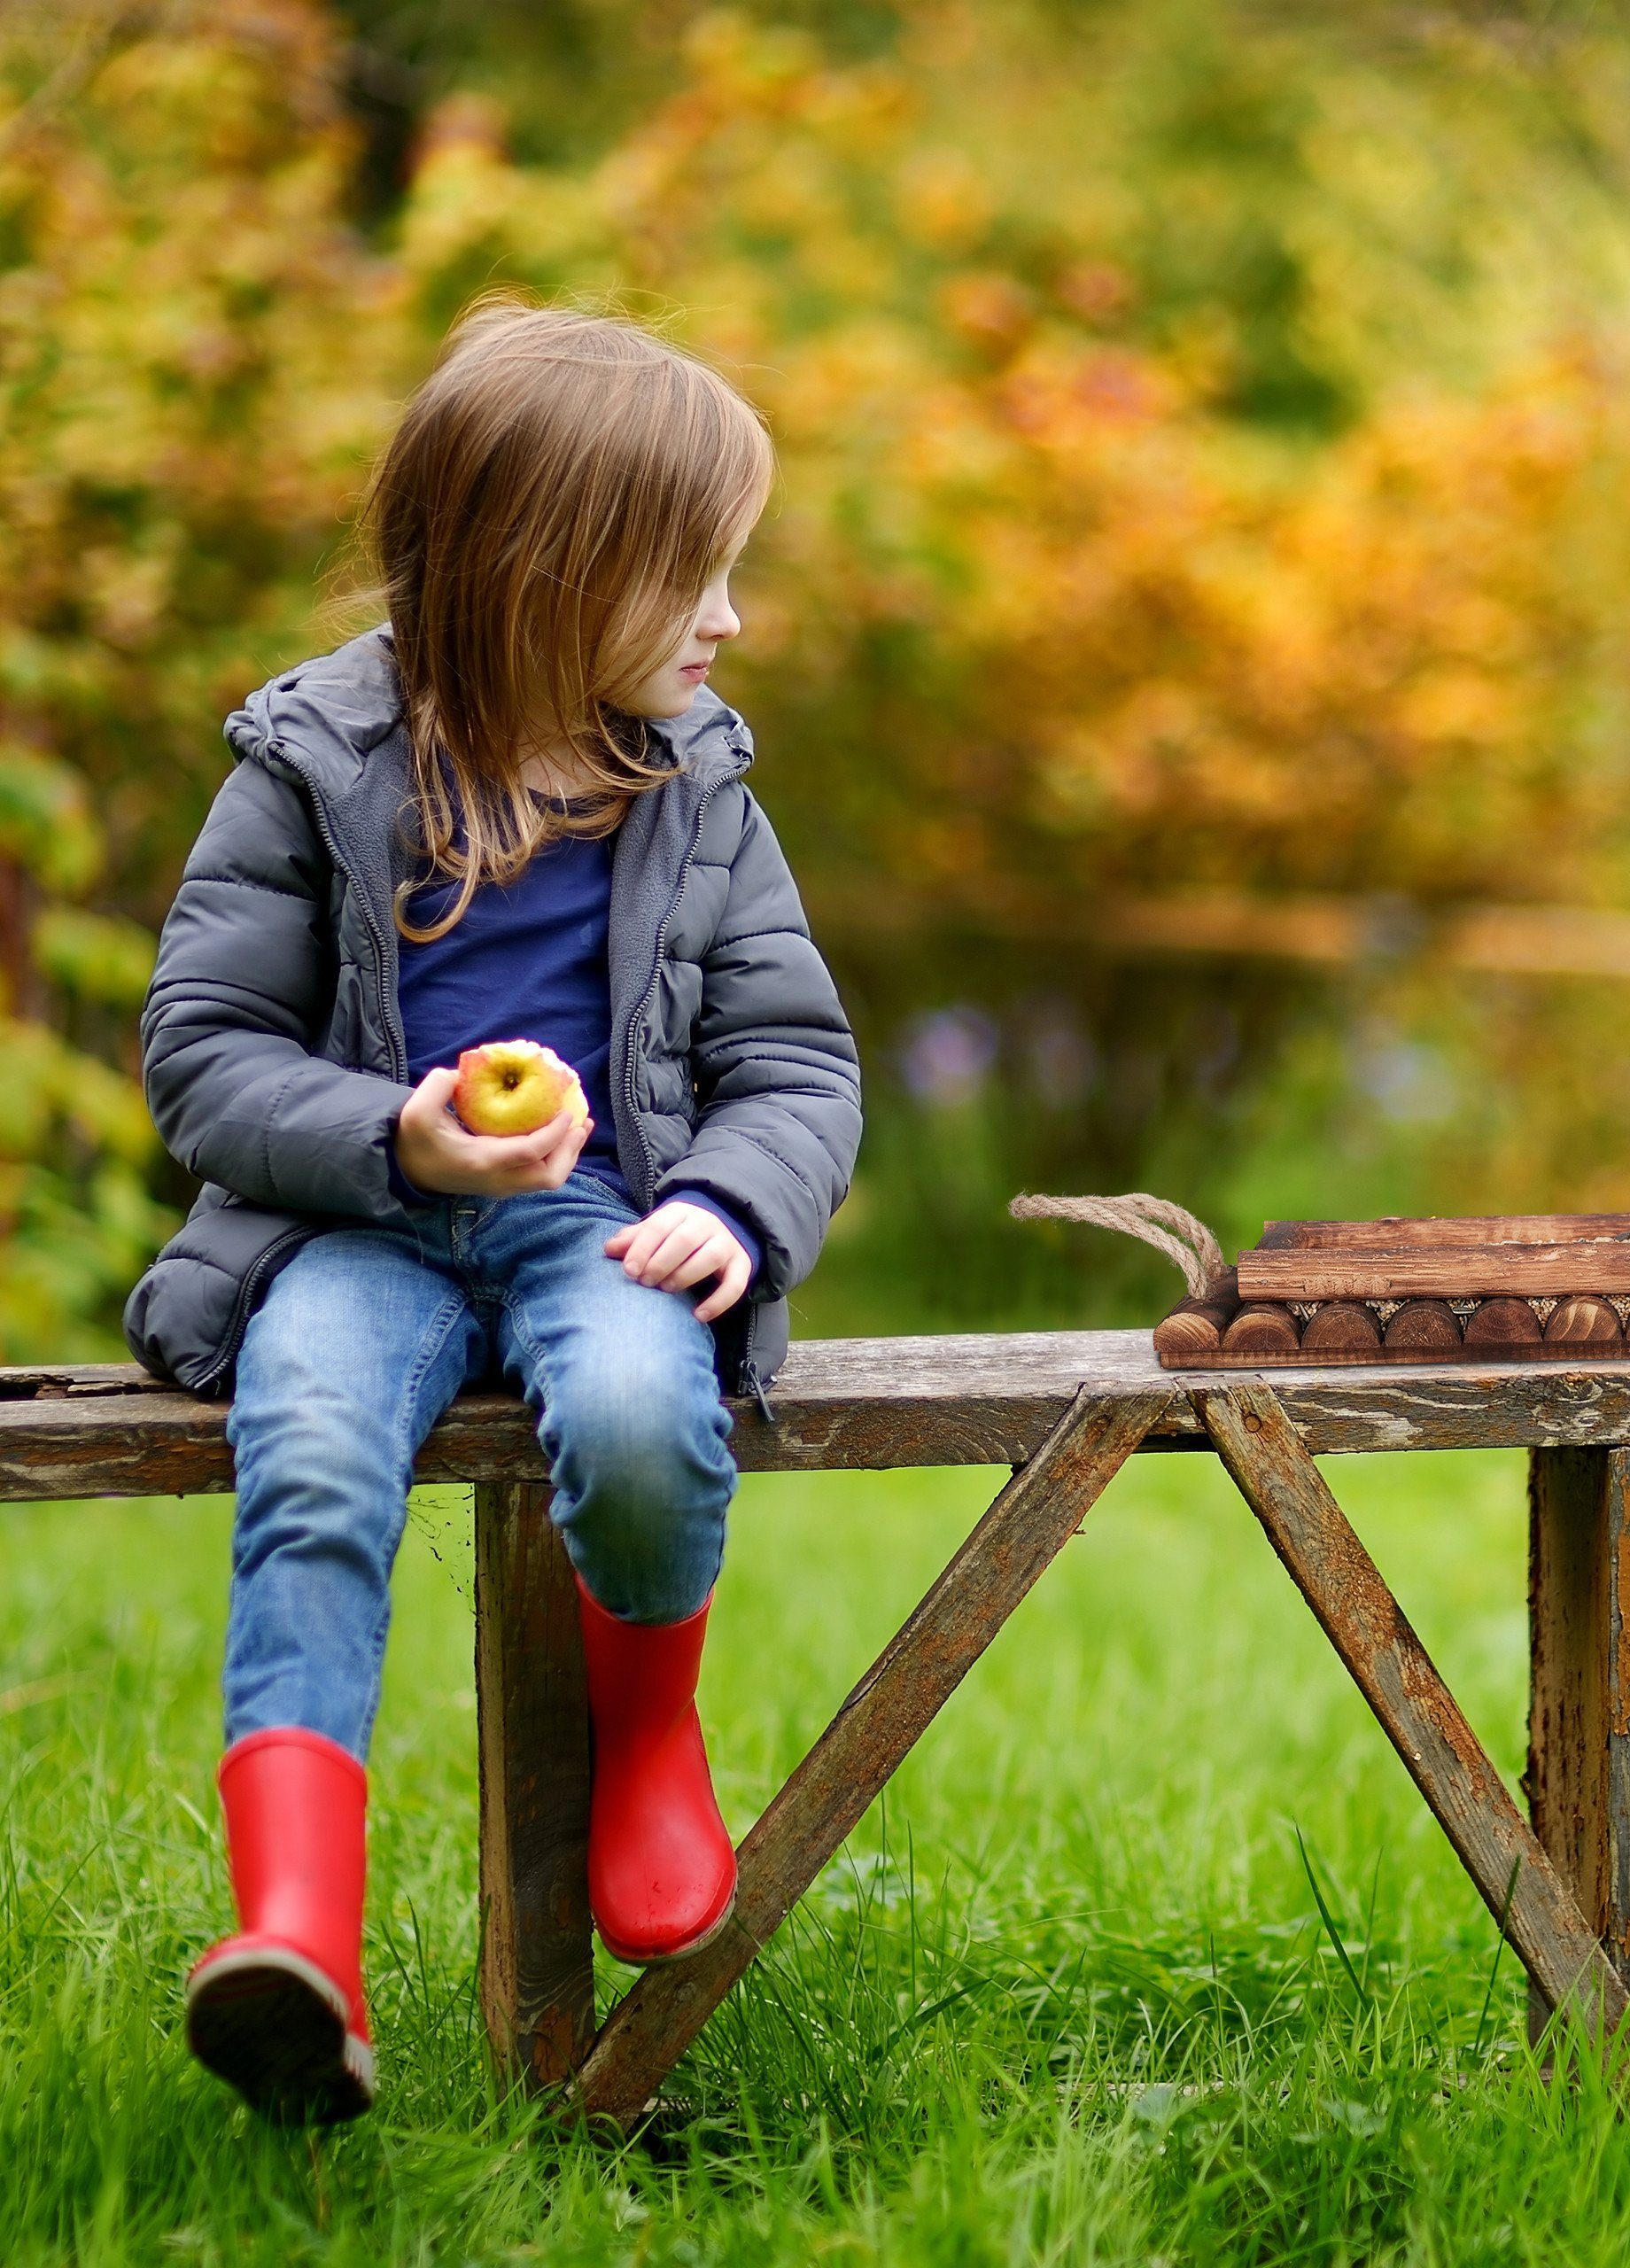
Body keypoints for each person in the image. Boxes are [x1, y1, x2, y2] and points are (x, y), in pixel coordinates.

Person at [124, 299, 863, 2124]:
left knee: (631, 1405)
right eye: (694, 574)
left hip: (598, 1219)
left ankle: (649, 1736)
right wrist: (399, 1132)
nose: (729, 618)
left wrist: (731, 1206)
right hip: (354, 1225)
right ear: (553, 573)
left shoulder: (693, 792)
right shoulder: (309, 765)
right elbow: (203, 1052)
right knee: (308, 1457)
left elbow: (798, 1057)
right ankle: (295, 1935)